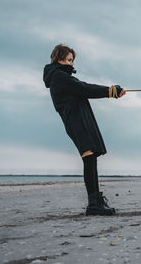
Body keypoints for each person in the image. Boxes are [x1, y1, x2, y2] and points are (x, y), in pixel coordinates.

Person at [43, 44, 126, 216]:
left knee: (91, 157)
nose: (72, 64)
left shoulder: (60, 76)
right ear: (59, 59)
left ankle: (95, 202)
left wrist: (112, 92)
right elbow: (85, 88)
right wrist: (111, 91)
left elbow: (82, 88)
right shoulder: (59, 76)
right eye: (69, 60)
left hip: (79, 120)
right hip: (76, 121)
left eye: (72, 60)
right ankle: (93, 205)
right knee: (89, 158)